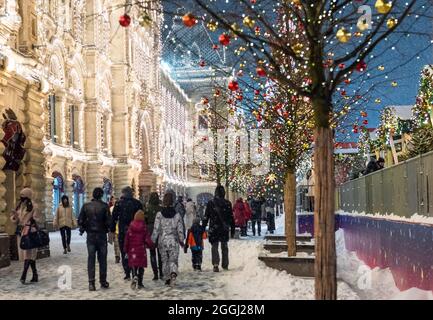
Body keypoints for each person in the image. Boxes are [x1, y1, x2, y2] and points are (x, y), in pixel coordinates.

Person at [78, 187, 111, 291]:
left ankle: (91, 283)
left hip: (91, 236)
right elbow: (109, 223)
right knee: (102, 260)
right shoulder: (105, 206)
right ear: (101, 195)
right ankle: (103, 281)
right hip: (101, 236)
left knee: (91, 259)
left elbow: (80, 220)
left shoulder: (86, 206)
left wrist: (85, 226)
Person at [151, 192, 185, 287]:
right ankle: (173, 273)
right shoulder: (177, 215)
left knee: (165, 260)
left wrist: (153, 240)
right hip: (173, 240)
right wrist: (181, 240)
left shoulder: (159, 214)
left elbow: (156, 229)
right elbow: (180, 229)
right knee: (173, 260)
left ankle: (167, 278)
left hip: (163, 241)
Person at [110, 186, 143, 280]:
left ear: (123, 193)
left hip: (123, 231)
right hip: (135, 232)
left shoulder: (119, 204)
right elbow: (142, 218)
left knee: (124, 250)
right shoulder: (137, 203)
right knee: (134, 251)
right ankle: (134, 271)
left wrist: (112, 230)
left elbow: (114, 218)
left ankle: (127, 271)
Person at [10, 188, 41, 284]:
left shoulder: (34, 206)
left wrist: (33, 219)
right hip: (21, 232)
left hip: (30, 232)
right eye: (21, 195)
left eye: (23, 195)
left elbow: (38, 219)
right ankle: (35, 275)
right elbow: (15, 220)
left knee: (28, 254)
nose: (21, 197)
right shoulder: (20, 206)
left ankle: (23, 276)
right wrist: (15, 216)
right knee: (28, 255)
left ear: (28, 196)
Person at [203, 185, 235, 272]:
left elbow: (206, 216)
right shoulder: (227, 203)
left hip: (214, 227)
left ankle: (216, 264)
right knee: (224, 246)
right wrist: (232, 229)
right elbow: (231, 217)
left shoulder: (211, 203)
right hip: (224, 228)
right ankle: (225, 264)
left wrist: (203, 228)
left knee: (214, 246)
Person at [124, 210, 154, 290]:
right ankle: (140, 283)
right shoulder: (144, 227)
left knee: (134, 265)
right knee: (141, 267)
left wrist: (126, 249)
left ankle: (134, 275)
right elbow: (147, 239)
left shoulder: (131, 227)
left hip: (132, 250)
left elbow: (127, 239)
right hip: (141, 250)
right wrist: (151, 245)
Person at [144, 192, 163, 280]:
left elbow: (145, 219)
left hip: (150, 229)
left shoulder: (147, 208)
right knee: (160, 253)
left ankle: (155, 273)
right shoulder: (161, 208)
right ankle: (161, 272)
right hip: (159, 229)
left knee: (152, 253)